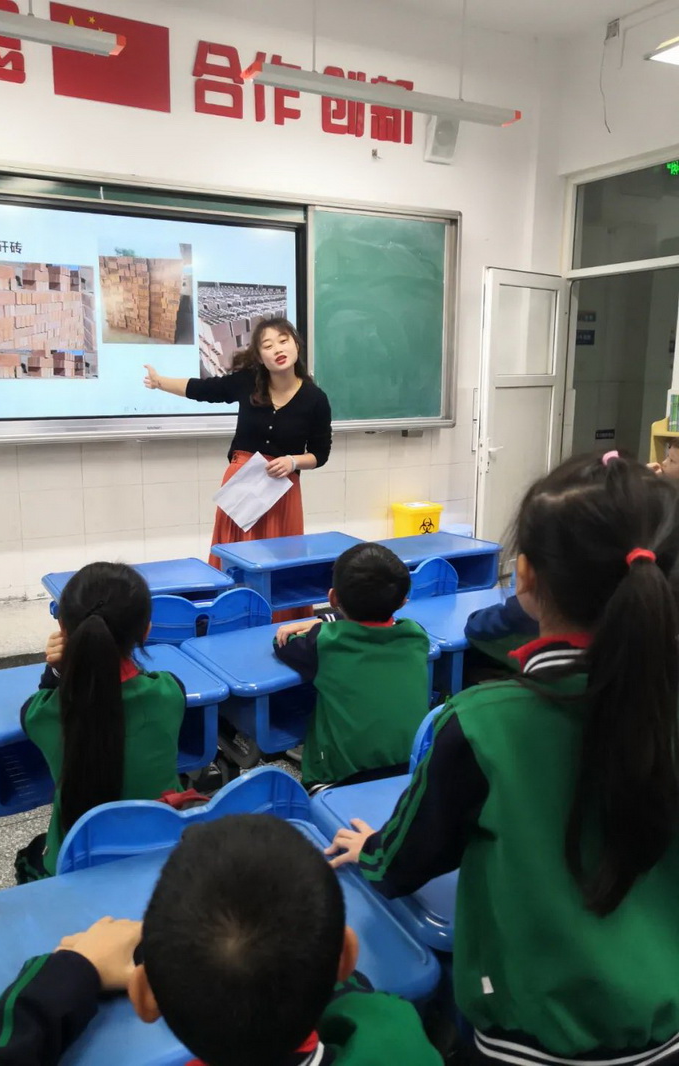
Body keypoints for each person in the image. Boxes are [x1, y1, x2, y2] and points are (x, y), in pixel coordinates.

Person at [327, 451, 679, 1066]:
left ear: (525, 578)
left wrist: (371, 850)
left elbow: (407, 860)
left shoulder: (481, 724)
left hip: (528, 1040)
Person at [0, 815, 443, 1066]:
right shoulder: (399, 1039)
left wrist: (69, 972)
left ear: (146, 996)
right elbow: (367, 1008)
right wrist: (303, 956)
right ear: (346, 957)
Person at [144, 317, 331, 621]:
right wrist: (160, 382)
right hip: (242, 484)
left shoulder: (315, 399)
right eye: (267, 345)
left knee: (279, 558)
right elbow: (204, 389)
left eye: (283, 340)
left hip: (282, 490)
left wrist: (294, 461)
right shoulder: (249, 382)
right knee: (235, 556)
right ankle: (231, 620)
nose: (277, 349)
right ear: (260, 356)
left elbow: (320, 454)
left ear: (296, 345)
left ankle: (280, 623)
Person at [15, 561, 185, 882]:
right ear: (146, 630)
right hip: (163, 853)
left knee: (32, 853)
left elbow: (37, 705)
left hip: (77, 867)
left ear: (63, 629)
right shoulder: (169, 692)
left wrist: (57, 668)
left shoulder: (44, 713)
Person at [273, 542, 431, 791]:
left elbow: (282, 643)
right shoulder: (416, 635)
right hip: (412, 772)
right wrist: (327, 620)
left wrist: (321, 622)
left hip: (337, 782)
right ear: (403, 602)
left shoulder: (326, 642)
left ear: (332, 598)